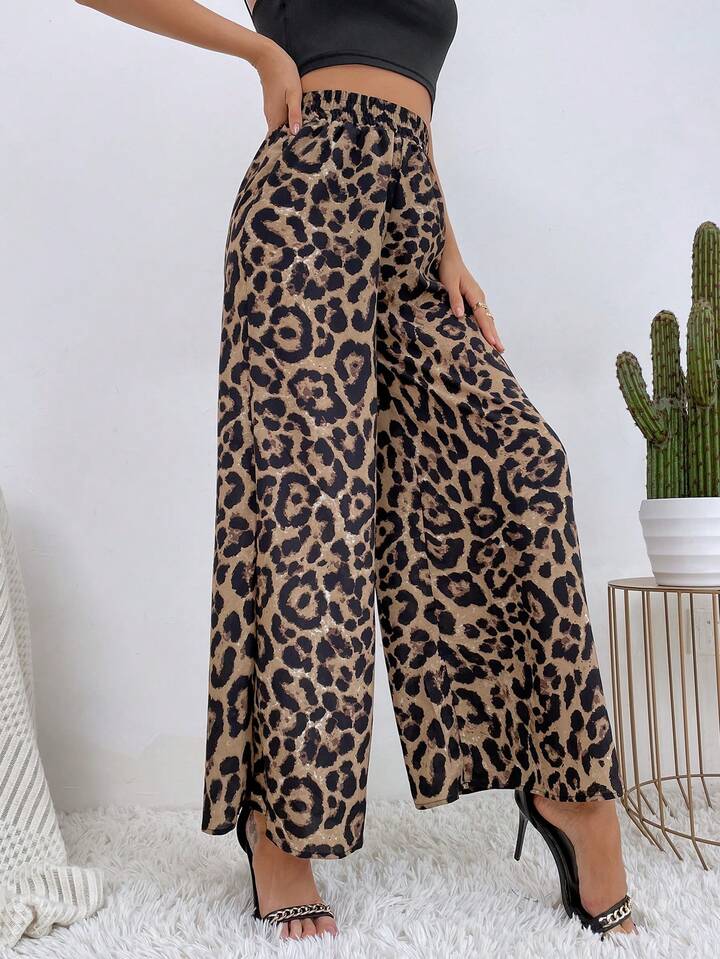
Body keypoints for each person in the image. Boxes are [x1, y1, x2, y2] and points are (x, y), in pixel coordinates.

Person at [75, 0, 636, 942]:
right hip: (306, 204)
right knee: (314, 522)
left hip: (411, 222)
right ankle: (280, 825)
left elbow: (414, 100)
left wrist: (448, 244)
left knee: (526, 462)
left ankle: (571, 788)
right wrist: (259, 51)